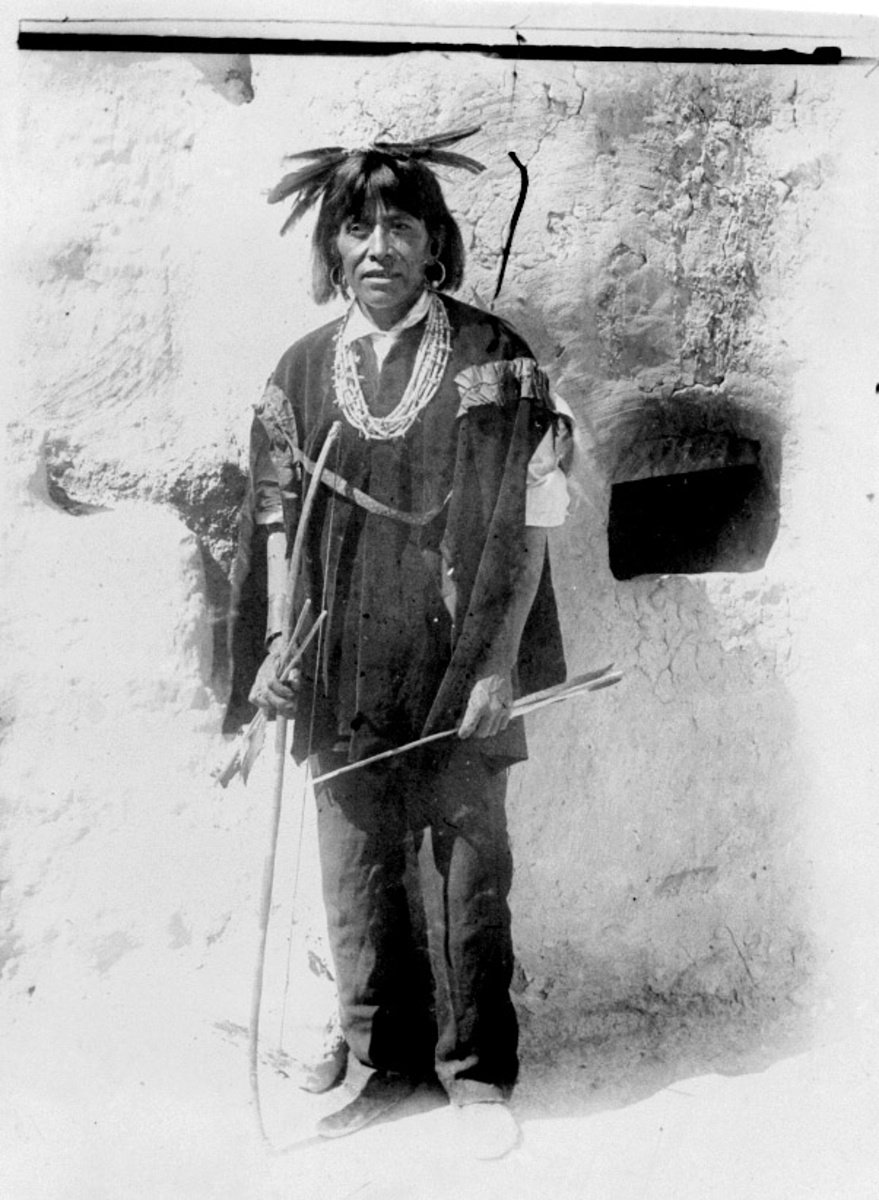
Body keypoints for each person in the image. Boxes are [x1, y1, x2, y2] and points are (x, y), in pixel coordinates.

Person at [235, 127, 573, 1159]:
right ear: (332, 248)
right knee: (357, 875)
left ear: (435, 246)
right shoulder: (301, 372)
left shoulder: (493, 358)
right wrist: (280, 645)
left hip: (460, 657)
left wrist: (498, 665)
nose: (378, 246)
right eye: (357, 227)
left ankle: (476, 1078)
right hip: (343, 664)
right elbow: (278, 523)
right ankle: (386, 1069)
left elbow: (532, 522)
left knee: (470, 873)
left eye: (400, 226)